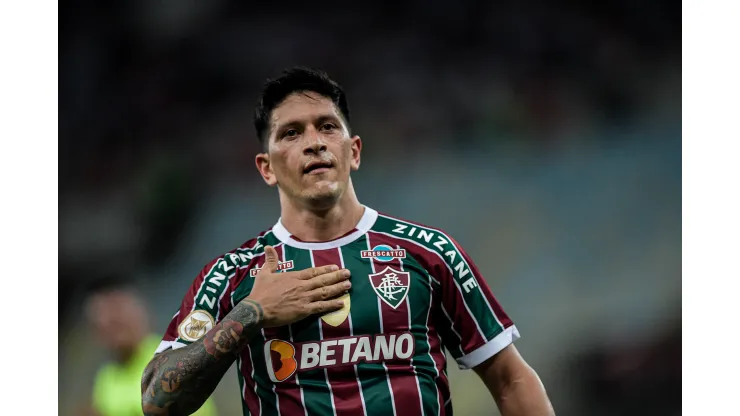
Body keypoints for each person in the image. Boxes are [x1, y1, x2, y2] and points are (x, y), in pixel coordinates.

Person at [141, 67, 554, 416]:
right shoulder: (233, 275)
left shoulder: (429, 252)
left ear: (353, 151)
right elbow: (158, 400)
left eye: (327, 126)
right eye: (290, 133)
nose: (314, 142)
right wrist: (251, 312)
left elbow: (511, 378)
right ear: (266, 169)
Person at [85, 279, 217, 416]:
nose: (115, 332)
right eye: (105, 325)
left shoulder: (172, 357)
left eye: (119, 319)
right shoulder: (105, 379)